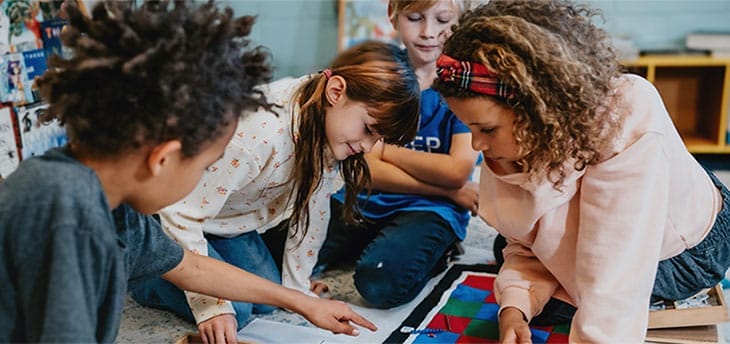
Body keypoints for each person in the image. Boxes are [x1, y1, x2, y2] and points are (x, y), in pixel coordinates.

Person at [0, 1, 376, 342]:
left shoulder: (113, 204)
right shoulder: (65, 217)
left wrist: (300, 302)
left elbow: (192, 267)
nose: (201, 179)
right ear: (163, 158)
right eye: (202, 166)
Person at [432, 0, 730, 342]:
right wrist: (514, 309)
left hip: (689, 250)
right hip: (634, 202)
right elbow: (525, 241)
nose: (476, 145)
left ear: (536, 109)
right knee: (506, 248)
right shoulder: (508, 140)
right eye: (470, 128)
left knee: (579, 297)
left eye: (486, 129)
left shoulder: (625, 116)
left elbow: (616, 276)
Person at [128, 40, 420, 339]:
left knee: (268, 301)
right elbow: (181, 214)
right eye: (369, 129)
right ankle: (139, 272)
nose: (368, 147)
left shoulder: (331, 127)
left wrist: (299, 291)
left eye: (378, 138)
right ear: (336, 92)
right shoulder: (260, 134)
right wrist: (210, 307)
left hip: (227, 221)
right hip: (170, 214)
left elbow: (314, 212)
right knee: (236, 312)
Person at [314, 0, 480, 309]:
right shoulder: (380, 71)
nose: (429, 32)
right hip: (362, 199)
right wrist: (449, 190)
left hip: (431, 210)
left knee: (379, 282)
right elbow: (365, 171)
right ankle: (373, 242)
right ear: (393, 16)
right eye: (415, 18)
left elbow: (457, 170)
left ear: (460, 20)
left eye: (442, 19)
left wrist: (385, 150)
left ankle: (430, 251)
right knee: (276, 252)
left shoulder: (464, 82)